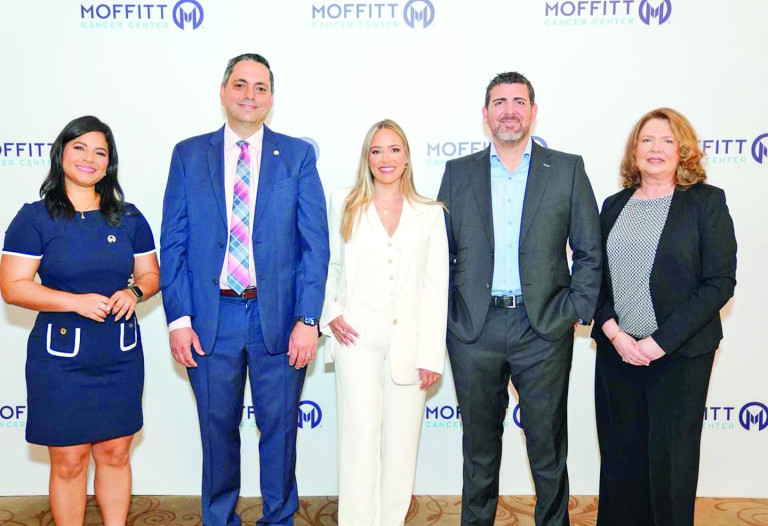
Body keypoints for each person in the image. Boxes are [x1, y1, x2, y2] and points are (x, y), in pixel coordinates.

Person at [160, 53, 329, 526]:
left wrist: (308, 319)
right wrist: (178, 319)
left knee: (279, 430)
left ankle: (278, 518)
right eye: (240, 85)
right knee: (217, 431)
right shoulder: (188, 154)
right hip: (212, 317)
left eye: (259, 87)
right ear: (223, 91)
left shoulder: (297, 155)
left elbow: (315, 245)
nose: (249, 95)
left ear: (271, 98)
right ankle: (219, 519)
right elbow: (171, 242)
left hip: (279, 317)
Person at [437, 71, 602, 526]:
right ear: (486, 114)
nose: (509, 110)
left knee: (548, 449)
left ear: (532, 111)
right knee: (479, 450)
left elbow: (590, 250)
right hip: (474, 331)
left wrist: (574, 311)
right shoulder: (459, 172)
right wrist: (450, 317)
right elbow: (440, 253)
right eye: (499, 102)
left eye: (518, 101)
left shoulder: (566, 168)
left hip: (544, 329)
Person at [0, 115, 160, 526]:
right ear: (61, 154)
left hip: (119, 355)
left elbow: (151, 275)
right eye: (80, 147)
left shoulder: (129, 217)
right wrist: (74, 302)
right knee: (69, 462)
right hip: (60, 360)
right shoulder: (34, 218)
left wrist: (135, 292)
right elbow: (14, 286)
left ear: (109, 164)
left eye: (100, 152)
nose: (90, 158)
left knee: (115, 453)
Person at [592, 108, 737, 526]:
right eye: (647, 140)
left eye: (667, 140)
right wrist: (616, 334)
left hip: (679, 356)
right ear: (634, 151)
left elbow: (719, 282)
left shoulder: (706, 202)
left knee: (670, 465)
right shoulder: (613, 205)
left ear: (683, 150)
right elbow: (594, 281)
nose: (655, 149)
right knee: (621, 461)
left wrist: (659, 342)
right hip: (618, 353)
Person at [320, 119, 448, 525]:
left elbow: (435, 287)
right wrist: (331, 313)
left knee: (401, 446)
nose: (385, 158)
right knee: (358, 439)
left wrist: (431, 353)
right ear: (367, 158)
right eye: (376, 151)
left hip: (409, 345)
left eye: (394, 149)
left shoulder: (429, 213)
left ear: (407, 157)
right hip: (355, 338)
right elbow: (329, 265)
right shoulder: (344, 201)